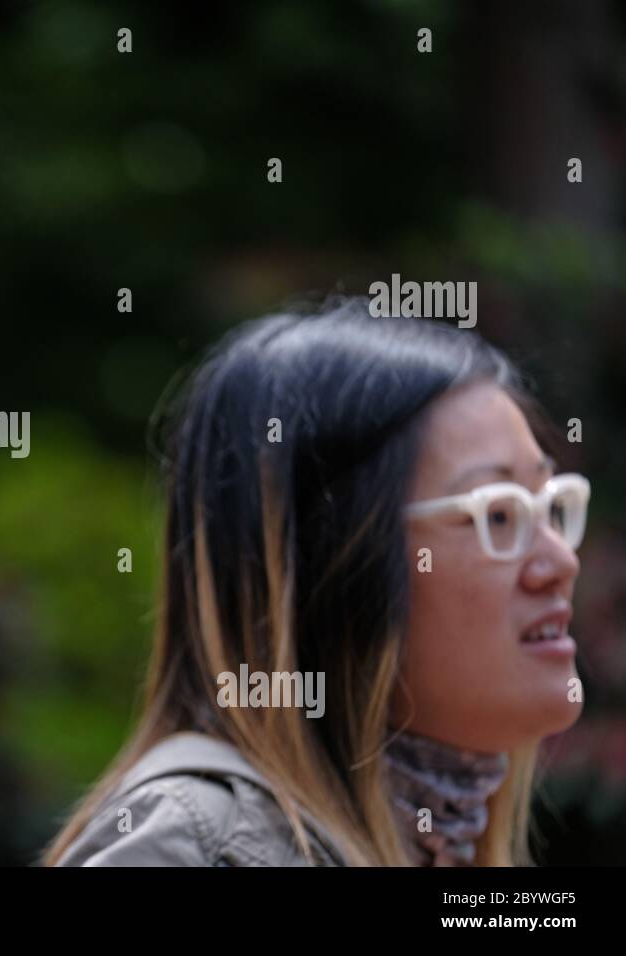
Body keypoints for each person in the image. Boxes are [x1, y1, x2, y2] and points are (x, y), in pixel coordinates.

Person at [46, 298, 589, 866]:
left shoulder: (441, 843)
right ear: (331, 565)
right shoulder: (193, 850)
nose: (560, 561)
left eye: (553, 505)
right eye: (498, 515)